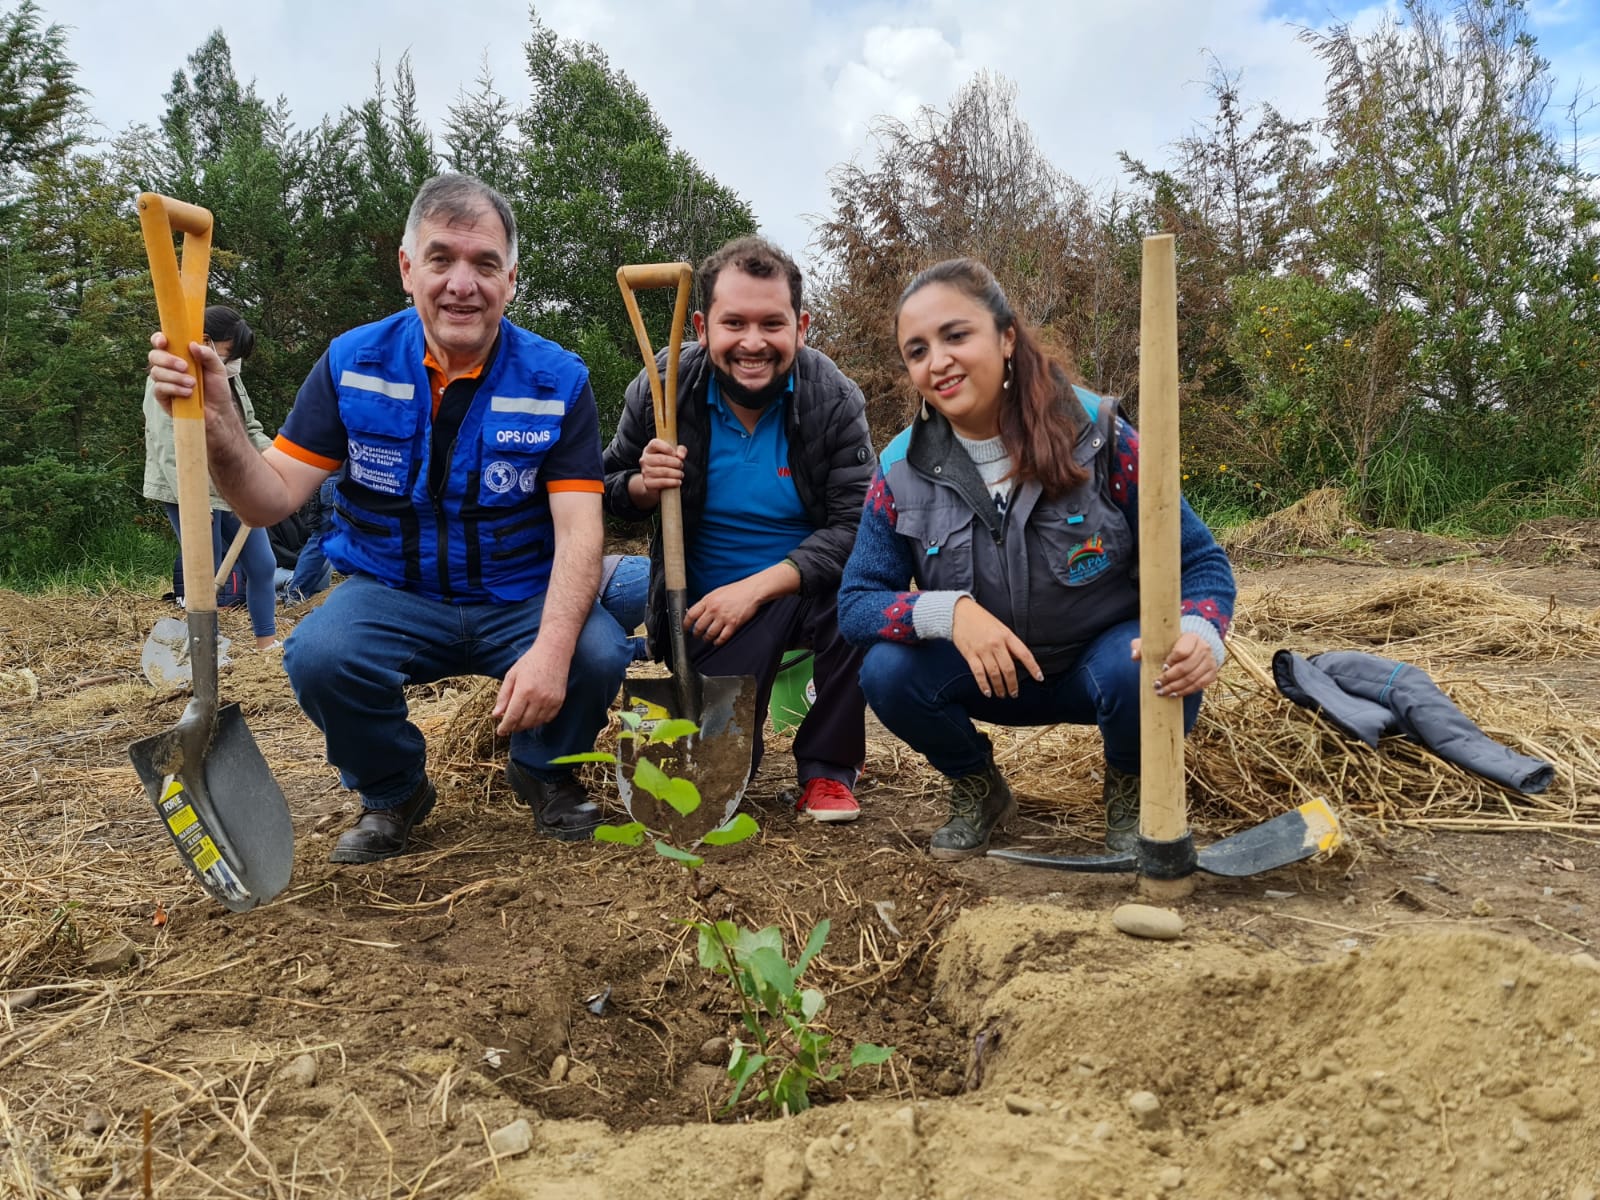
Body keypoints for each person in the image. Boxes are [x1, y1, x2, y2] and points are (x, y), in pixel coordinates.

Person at [147, 173, 633, 864]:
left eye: (485, 264)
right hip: (392, 592)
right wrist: (220, 418)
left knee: (598, 652)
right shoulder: (353, 362)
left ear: (511, 280)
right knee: (320, 654)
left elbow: (582, 528)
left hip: (518, 595)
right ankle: (394, 792)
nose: (462, 284)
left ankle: (545, 770)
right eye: (441, 259)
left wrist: (552, 654)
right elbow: (267, 500)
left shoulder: (558, 379)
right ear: (408, 269)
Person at [838, 258, 1236, 860]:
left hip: (1102, 668)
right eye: (917, 351)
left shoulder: (1100, 436)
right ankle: (978, 787)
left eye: (955, 335)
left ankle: (1133, 788)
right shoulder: (899, 470)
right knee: (885, 671)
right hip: (986, 677)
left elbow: (1201, 564)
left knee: (1145, 663)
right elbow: (857, 604)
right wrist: (950, 613)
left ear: (1006, 338)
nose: (937, 361)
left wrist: (1202, 632)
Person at [603, 237, 874, 822]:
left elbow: (857, 524)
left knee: (861, 598)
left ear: (801, 327)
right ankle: (728, 739)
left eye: (772, 324)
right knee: (709, 789)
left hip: (800, 590)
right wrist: (643, 485)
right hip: (705, 609)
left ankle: (828, 770)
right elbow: (606, 486)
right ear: (703, 328)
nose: (753, 343)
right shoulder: (659, 390)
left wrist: (756, 588)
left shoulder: (832, 399)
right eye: (734, 323)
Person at [142, 305, 281, 650]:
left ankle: (266, 642)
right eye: (230, 352)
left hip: (230, 484)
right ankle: (205, 648)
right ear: (205, 340)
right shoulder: (170, 376)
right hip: (189, 488)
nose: (234, 363)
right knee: (207, 574)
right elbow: (166, 445)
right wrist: (192, 500)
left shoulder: (228, 376)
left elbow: (249, 427)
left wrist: (275, 457)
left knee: (263, 565)